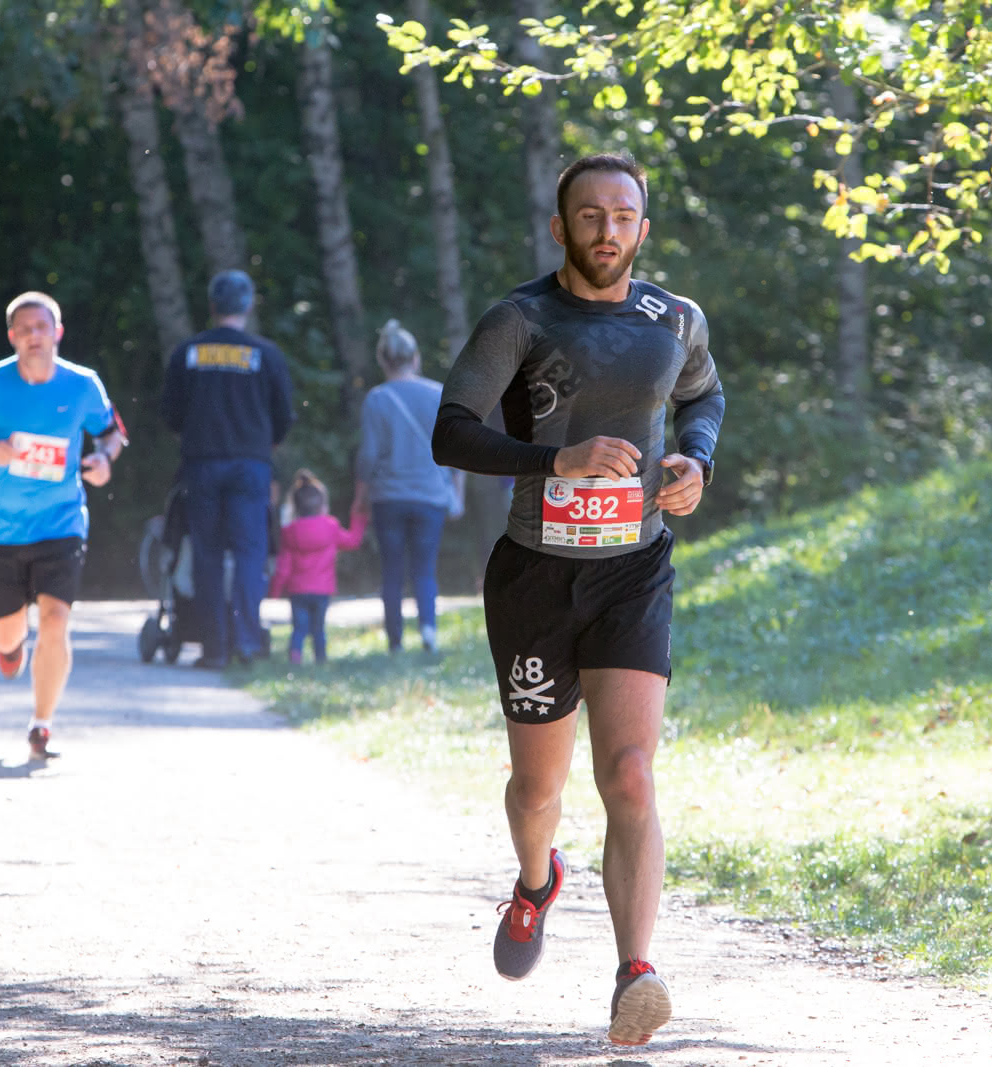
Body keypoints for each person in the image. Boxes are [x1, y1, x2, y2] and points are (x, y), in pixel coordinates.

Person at [431, 152, 724, 1046]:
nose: (607, 230)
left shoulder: (674, 318)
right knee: (537, 789)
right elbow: (452, 432)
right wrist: (554, 459)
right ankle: (537, 880)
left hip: (633, 568)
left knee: (629, 772)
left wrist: (696, 459)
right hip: (535, 576)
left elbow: (704, 395)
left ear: (643, 227)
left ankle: (636, 971)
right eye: (590, 215)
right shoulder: (519, 320)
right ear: (561, 227)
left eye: (623, 216)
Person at [0, 291, 126, 759]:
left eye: (42, 327)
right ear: (12, 336)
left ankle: (42, 725)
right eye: (24, 329)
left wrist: (104, 460)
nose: (34, 336)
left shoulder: (82, 385)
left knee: (56, 619)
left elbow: (111, 433)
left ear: (57, 332)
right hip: (0, 530)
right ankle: (9, 647)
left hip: (61, 522)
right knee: (8, 634)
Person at [161, 269, 294, 669]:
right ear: (249, 305)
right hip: (251, 466)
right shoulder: (266, 355)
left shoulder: (188, 353)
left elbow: (170, 414)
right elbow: (283, 417)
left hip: (201, 465)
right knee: (251, 555)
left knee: (207, 555)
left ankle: (214, 649)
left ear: (212, 306)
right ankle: (247, 645)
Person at [355, 319, 463, 656]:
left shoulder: (377, 399)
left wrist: (360, 496)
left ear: (383, 360)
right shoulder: (439, 394)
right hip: (430, 495)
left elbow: (368, 455)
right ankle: (428, 630)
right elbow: (457, 448)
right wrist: (457, 493)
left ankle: (396, 641)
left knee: (392, 570)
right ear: (415, 358)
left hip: (388, 497)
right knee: (424, 568)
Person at [268, 471, 367, 665]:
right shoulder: (330, 527)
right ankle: (320, 660)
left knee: (299, 628)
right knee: (318, 629)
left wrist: (275, 591)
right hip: (322, 590)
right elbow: (353, 541)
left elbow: (284, 568)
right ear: (322, 505)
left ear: (296, 507)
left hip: (298, 591)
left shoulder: (290, 532)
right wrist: (359, 517)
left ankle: (295, 658)